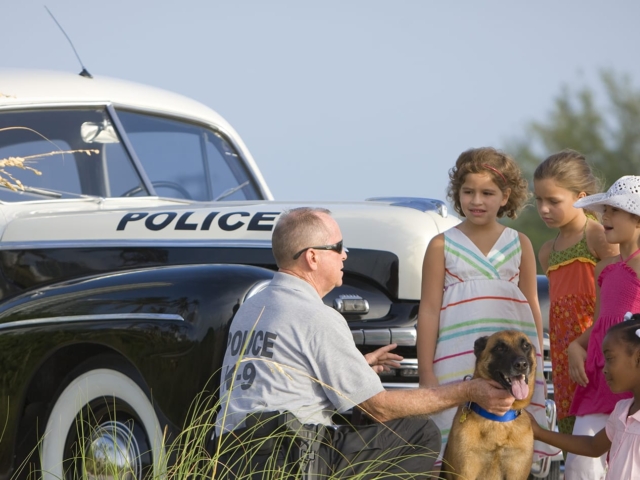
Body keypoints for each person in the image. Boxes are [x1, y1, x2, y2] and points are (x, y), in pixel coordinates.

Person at [215, 207, 515, 479]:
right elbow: (378, 409)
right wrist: (468, 390)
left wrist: (360, 365)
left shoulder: (252, 307)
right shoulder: (316, 316)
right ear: (312, 257)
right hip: (291, 457)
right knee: (419, 433)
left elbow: (283, 375)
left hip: (235, 455)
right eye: (338, 248)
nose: (345, 255)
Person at [417, 147, 557, 468]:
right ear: (458, 193)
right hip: (455, 358)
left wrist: (539, 366)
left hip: (512, 364)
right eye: (468, 192)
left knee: (509, 439)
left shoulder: (519, 242)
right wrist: (426, 371)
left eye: (487, 193)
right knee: (458, 447)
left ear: (505, 196)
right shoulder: (441, 244)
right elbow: (428, 310)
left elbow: (531, 305)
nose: (476, 201)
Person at [533, 150, 618, 443]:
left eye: (553, 201)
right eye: (539, 200)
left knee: (600, 432)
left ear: (580, 197)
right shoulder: (547, 250)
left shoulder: (598, 236)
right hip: (562, 354)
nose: (544, 209)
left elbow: (616, 297)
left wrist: (585, 345)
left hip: (596, 348)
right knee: (572, 432)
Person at [565, 175, 640, 479]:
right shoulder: (604, 269)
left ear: (637, 218)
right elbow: (599, 324)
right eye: (604, 210)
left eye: (613, 211)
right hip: (600, 375)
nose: (604, 217)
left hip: (634, 378)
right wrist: (576, 345)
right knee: (581, 466)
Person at [529, 313, 640, 479]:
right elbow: (592, 446)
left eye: (610, 359)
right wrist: (538, 432)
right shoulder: (622, 410)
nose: (604, 368)